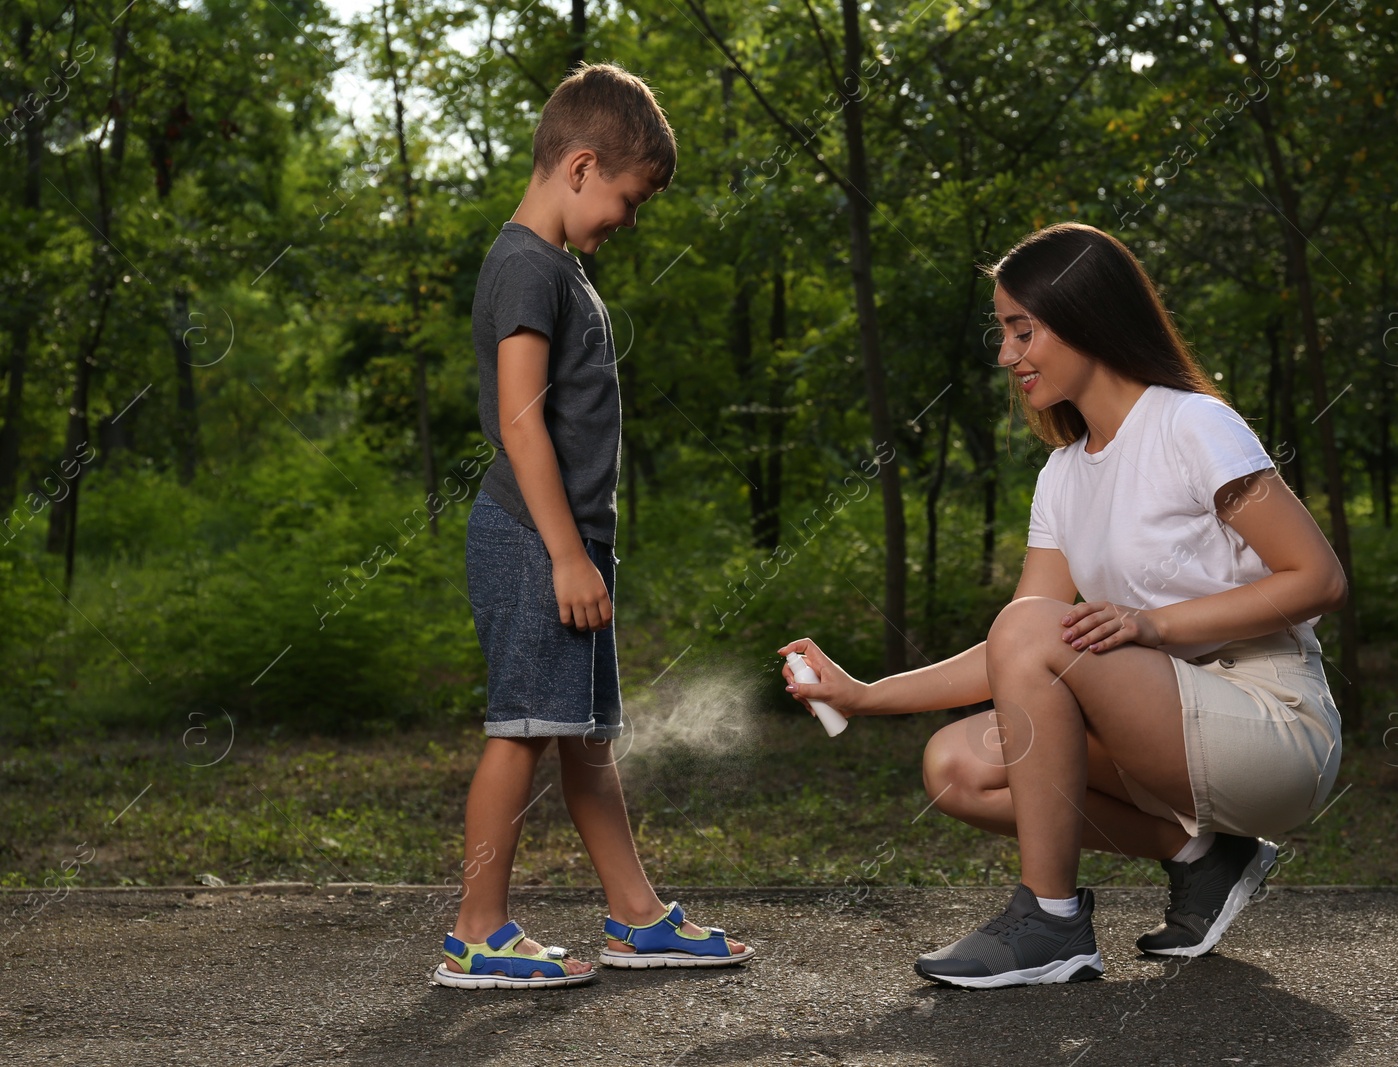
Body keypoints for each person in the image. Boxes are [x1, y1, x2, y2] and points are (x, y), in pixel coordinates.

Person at [778, 222, 1344, 990]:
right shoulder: (1065, 474)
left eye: (1023, 329)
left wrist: (1154, 623)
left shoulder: (1190, 424)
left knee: (1035, 628)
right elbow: (1017, 647)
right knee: (957, 767)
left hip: (1272, 721)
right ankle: (1203, 858)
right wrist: (866, 695)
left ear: (1086, 316)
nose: (1007, 354)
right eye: (1003, 332)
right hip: (1167, 724)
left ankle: (1049, 922)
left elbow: (1317, 578)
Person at [434, 62, 752, 989]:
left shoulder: (554, 265)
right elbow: (522, 422)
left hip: (567, 547)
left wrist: (585, 553)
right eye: (628, 197)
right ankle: (477, 931)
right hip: (538, 544)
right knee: (520, 732)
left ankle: (638, 916)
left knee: (586, 738)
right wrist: (568, 554)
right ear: (579, 167)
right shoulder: (527, 266)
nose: (630, 219)